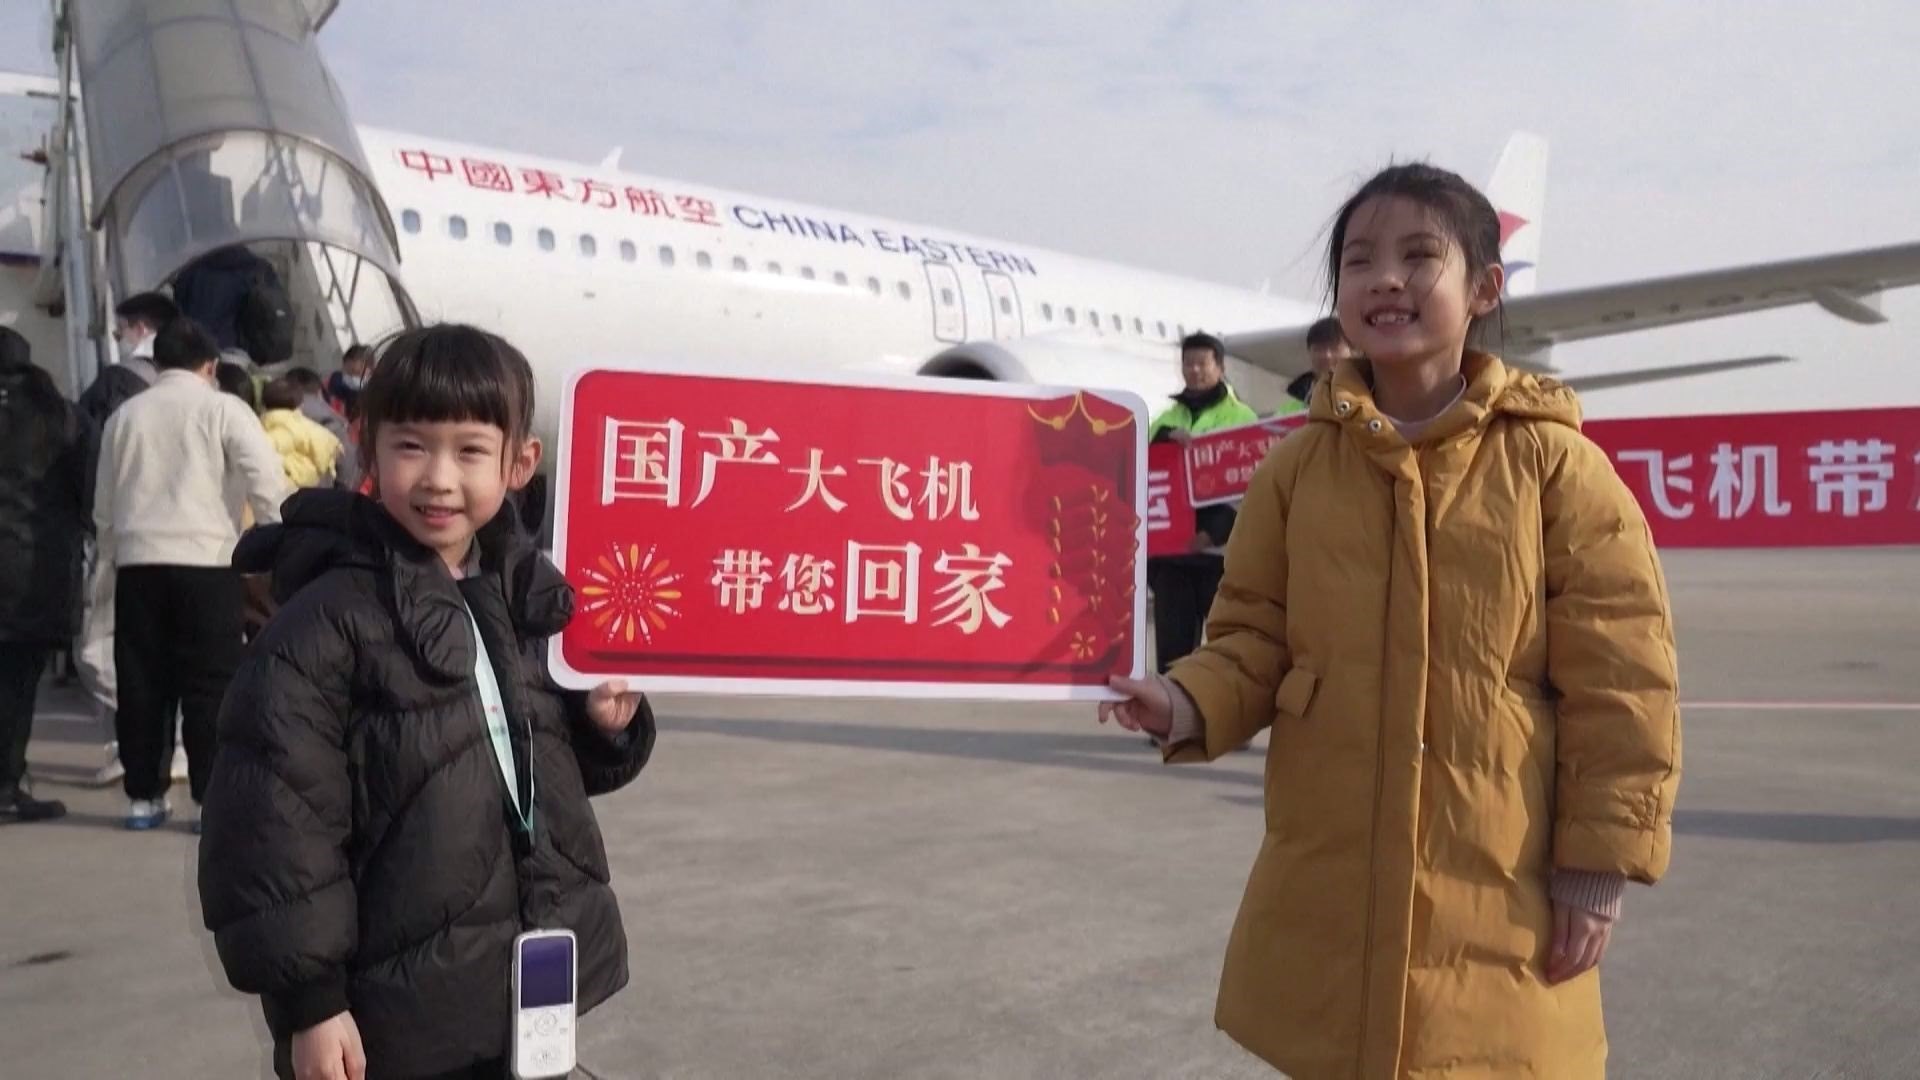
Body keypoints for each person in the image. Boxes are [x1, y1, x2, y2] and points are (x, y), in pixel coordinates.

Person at [1099, 163, 1681, 1078]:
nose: (1385, 280)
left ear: (1485, 288)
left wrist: (1598, 864)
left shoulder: (1557, 468)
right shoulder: (1294, 473)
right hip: (1330, 890)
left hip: (1499, 892)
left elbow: (1624, 682)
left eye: (1418, 256)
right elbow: (1251, 638)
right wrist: (1182, 700)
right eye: (1360, 260)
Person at [198, 324, 655, 1080]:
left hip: (522, 977)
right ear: (368, 447)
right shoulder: (327, 619)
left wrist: (605, 725)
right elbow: (271, 823)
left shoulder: (531, 599)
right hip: (393, 1012)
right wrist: (312, 1004)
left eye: (470, 451)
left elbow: (548, 763)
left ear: (520, 463)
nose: (439, 478)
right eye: (411, 446)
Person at [93, 317, 289, 830]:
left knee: (142, 682)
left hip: (138, 563)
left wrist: (110, 559)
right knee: (210, 686)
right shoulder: (224, 409)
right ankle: (208, 799)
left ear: (157, 363)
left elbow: (104, 504)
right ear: (210, 366)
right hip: (208, 561)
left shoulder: (125, 416)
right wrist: (278, 539)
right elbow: (265, 479)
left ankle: (143, 798)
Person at [0, 327, 88, 821]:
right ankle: (6, 785)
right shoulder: (58, 414)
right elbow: (84, 489)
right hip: (32, 567)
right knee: (17, 682)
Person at [1145, 332, 1257, 677]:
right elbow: (1142, 471)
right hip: (1172, 559)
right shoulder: (1164, 418)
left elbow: (1251, 489)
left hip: (1220, 557)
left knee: (1230, 650)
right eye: (1188, 363)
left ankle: (1228, 712)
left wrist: (1212, 533)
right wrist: (1163, 440)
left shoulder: (1242, 418)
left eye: (1202, 363)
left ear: (1220, 367)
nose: (1194, 370)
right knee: (1172, 654)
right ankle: (1174, 711)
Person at [258, 377, 344, 490]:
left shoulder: (256, 429)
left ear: (263, 405)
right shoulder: (316, 430)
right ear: (300, 404)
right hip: (314, 489)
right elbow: (334, 452)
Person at [286, 365, 360, 489]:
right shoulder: (332, 420)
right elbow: (347, 465)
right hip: (321, 492)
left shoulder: (272, 416)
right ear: (319, 390)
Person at [1285, 315, 1354, 407]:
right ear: (1309, 352)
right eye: (1319, 349)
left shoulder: (1369, 389)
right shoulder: (1294, 395)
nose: (1327, 355)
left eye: (1334, 348)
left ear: (1352, 350)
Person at [326, 343, 372, 420]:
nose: (364, 364)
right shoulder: (337, 377)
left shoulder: (367, 377)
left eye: (365, 361)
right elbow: (337, 395)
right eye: (361, 360)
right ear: (348, 362)